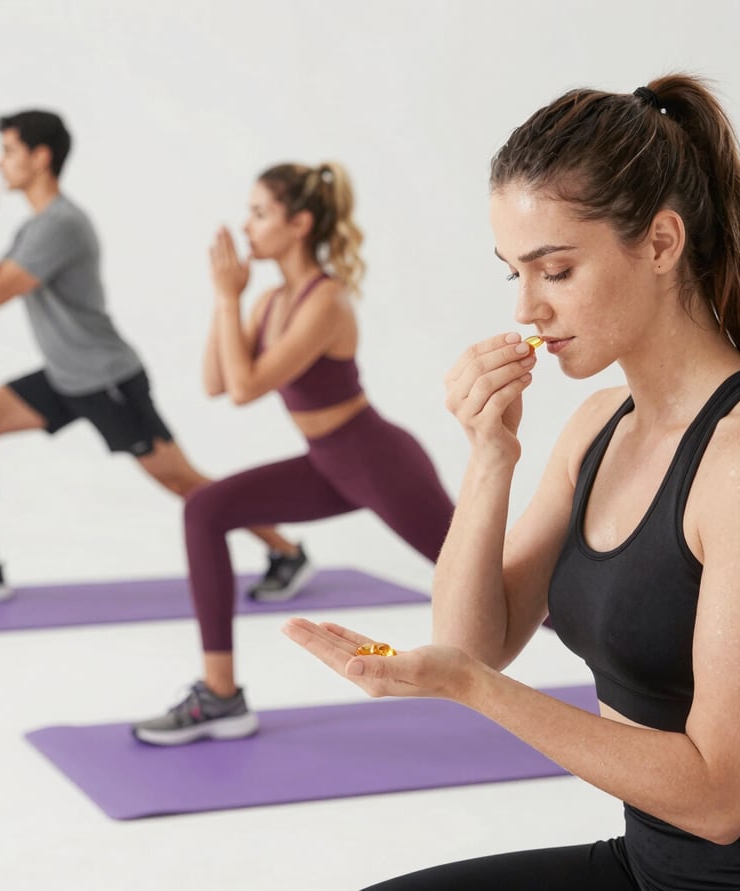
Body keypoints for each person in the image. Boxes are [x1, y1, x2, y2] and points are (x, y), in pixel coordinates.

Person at [283, 75, 740, 891]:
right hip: (648, 866)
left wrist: (472, 690)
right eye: (512, 275)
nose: (528, 309)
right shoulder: (598, 424)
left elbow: (716, 798)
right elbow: (473, 639)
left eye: (555, 270)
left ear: (663, 243)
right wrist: (489, 454)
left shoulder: (734, 462)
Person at [132, 161, 454, 746]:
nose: (246, 226)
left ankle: (651, 664)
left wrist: (232, 299)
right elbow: (215, 381)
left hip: (377, 461)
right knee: (204, 508)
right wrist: (224, 299)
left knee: (492, 581)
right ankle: (220, 695)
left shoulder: (325, 301)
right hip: (328, 463)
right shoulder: (268, 301)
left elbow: (246, 387)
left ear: (299, 223)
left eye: (259, 213)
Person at [0, 109, 304, 601]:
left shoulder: (60, 224)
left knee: (178, 478)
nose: (0, 164)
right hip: (67, 375)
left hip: (105, 379)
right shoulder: (38, 226)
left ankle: (287, 552)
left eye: (9, 151)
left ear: (41, 158)